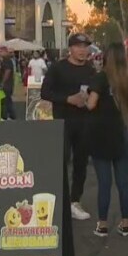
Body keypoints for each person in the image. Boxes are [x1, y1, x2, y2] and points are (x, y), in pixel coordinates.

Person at [41, 33, 96, 220]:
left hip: (84, 123)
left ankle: (75, 201)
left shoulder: (90, 70)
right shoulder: (58, 68)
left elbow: (95, 92)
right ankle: (58, 199)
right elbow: (45, 92)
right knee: (61, 161)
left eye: (85, 47)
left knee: (81, 163)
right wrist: (67, 99)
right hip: (63, 122)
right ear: (70, 48)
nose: (82, 50)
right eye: (78, 46)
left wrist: (89, 100)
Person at [86, 42, 128, 237]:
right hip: (122, 133)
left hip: (101, 136)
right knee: (124, 183)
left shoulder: (100, 78)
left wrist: (84, 97)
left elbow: (91, 104)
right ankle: (126, 223)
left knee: (104, 183)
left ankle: (102, 224)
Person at [0, 46, 17, 120]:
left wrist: (2, 82)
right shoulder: (6, 60)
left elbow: (7, 71)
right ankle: (9, 115)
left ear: (5, 52)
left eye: (1, 51)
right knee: (7, 100)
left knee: (6, 100)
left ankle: (9, 116)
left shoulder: (6, 60)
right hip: (8, 83)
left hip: (7, 84)